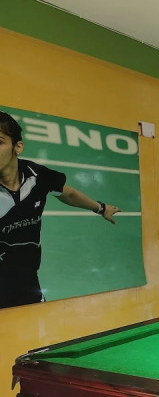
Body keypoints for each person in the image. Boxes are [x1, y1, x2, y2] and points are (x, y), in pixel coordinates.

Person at [0, 110, 121, 309]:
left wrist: (101, 208)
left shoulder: (37, 176)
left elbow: (69, 194)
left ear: (17, 147)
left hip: (27, 277)